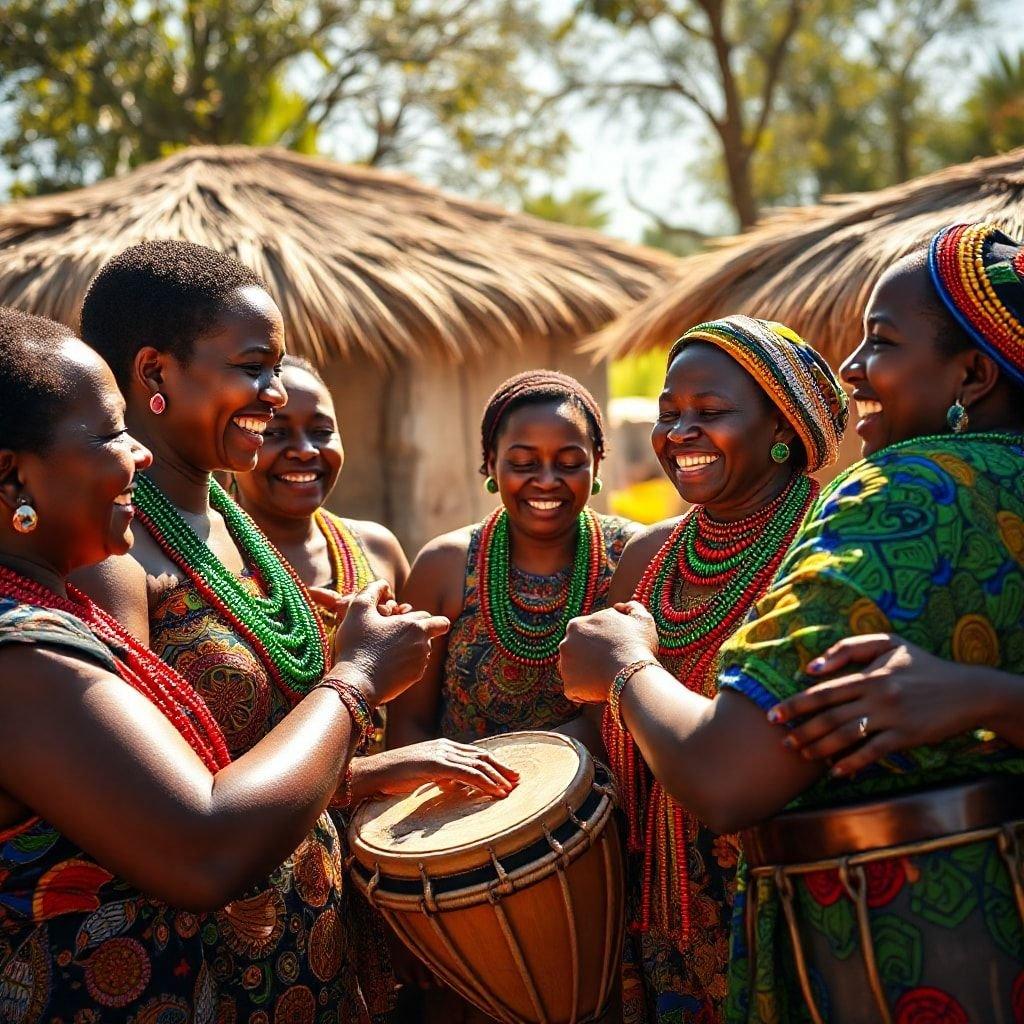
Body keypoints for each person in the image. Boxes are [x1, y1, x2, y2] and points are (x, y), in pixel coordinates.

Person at [558, 223, 1024, 1023]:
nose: (853, 369)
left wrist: (631, 666)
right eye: (668, 411)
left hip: (891, 953)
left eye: (880, 342)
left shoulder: (907, 496)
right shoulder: (649, 558)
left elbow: (728, 775)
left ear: (973, 373)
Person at [71, 241, 516, 1022]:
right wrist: (359, 679)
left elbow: (261, 750)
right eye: (254, 365)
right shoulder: (116, 550)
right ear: (154, 374)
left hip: (307, 949)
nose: (274, 394)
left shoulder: (232, 524)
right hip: (188, 971)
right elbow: (155, 808)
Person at [0, 307, 447, 1021]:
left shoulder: (49, 617)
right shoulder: (20, 659)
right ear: (12, 474)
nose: (137, 455)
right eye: (111, 433)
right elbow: (205, 844)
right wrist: (357, 678)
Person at [587, 316, 847, 1024]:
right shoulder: (648, 560)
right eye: (670, 413)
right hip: (664, 910)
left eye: (710, 413)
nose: (677, 433)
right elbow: (596, 718)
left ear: (782, 427)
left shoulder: (825, 547)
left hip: (792, 899)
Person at [231, 354, 507, 1013]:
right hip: (268, 869)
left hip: (386, 860)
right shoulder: (214, 570)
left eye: (320, 429)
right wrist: (385, 772)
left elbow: (413, 715)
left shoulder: (375, 551)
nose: (303, 451)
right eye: (274, 431)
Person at [389, 369, 639, 751]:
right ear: (491, 463)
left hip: (604, 800)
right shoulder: (444, 566)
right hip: (459, 798)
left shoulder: (631, 556)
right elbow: (408, 727)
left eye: (570, 462)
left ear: (598, 463)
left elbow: (619, 723)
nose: (546, 480)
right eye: (523, 463)